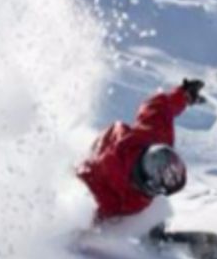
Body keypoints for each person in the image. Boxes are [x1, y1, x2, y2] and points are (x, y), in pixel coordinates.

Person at [76, 78, 205, 224]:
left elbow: (158, 106)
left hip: (114, 144)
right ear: (149, 184)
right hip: (97, 157)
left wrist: (183, 95)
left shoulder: (154, 135)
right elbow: (88, 200)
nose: (167, 165)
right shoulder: (119, 198)